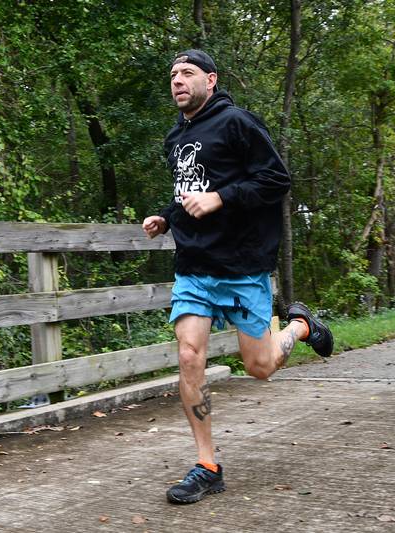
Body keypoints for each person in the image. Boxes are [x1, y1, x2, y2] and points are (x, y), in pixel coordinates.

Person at [142, 49, 334, 505]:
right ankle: (207, 465)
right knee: (190, 356)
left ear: (211, 79)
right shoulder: (175, 137)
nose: (178, 81)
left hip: (243, 266)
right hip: (194, 266)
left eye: (188, 73)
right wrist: (167, 218)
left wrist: (220, 199)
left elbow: (275, 180)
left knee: (260, 367)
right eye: (172, 75)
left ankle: (301, 325)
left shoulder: (238, 123)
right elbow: (188, 192)